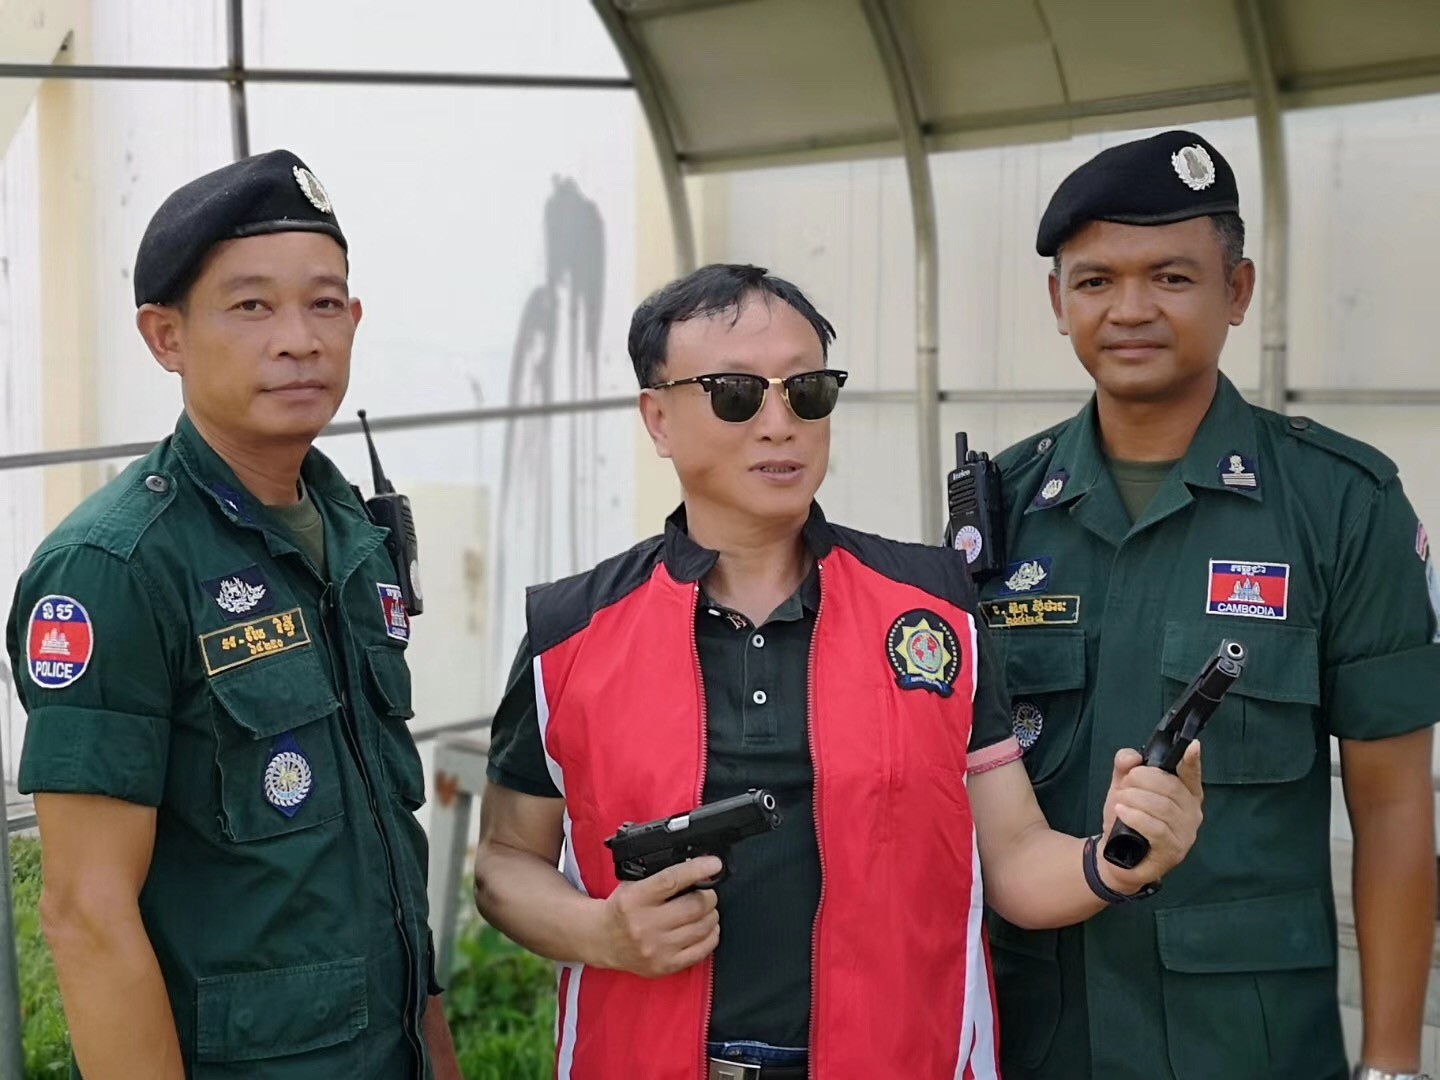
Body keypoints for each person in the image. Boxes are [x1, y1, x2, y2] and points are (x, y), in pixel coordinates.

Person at [473, 263, 1206, 1079]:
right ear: (658, 418)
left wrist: (1119, 857)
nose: (779, 424)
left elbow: (1014, 859)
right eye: (735, 393)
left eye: (807, 391)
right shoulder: (571, 633)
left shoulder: (936, 610)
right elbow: (505, 861)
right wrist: (601, 933)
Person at [982, 130, 1440, 1080]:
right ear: (1058, 302)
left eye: (1172, 277)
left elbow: (1395, 807)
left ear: (1237, 291)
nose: (1130, 309)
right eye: (1096, 280)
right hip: (1039, 1036)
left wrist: (1391, 1064)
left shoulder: (1341, 503)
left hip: (1246, 1043)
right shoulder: (998, 514)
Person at [6, 150, 460, 1079]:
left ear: (354, 321)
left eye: (323, 304)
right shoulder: (116, 567)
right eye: (251, 306)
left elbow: (388, 859)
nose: (298, 340)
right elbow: (86, 913)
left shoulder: (350, 528)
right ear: (165, 336)